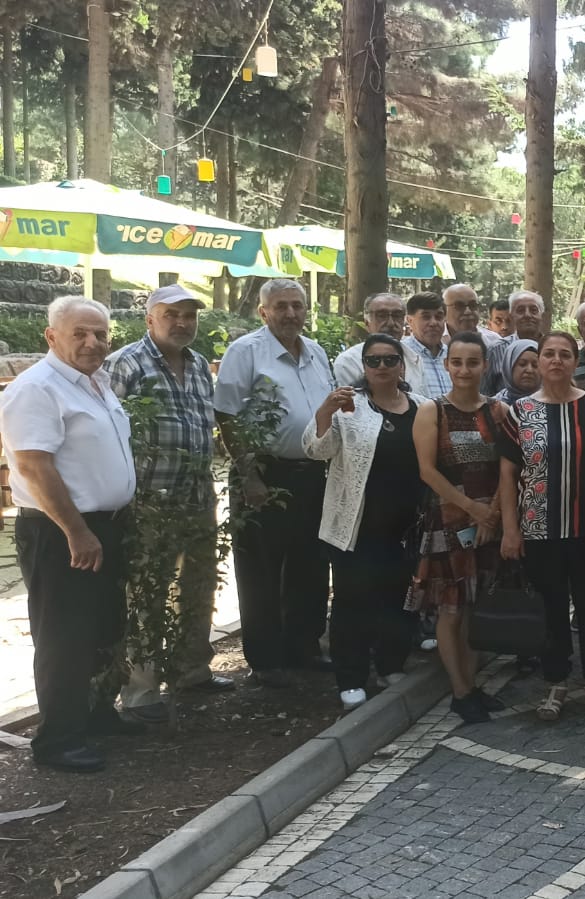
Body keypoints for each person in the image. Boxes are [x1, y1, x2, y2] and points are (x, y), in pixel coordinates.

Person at [1, 296, 138, 772]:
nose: (92, 342)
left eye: (100, 334)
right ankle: (58, 740)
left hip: (104, 525)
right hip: (61, 530)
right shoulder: (37, 389)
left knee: (103, 626)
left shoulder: (95, 383)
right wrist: (77, 532)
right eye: (79, 333)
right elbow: (34, 467)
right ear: (51, 337)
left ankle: (96, 714)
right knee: (64, 636)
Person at [104, 285, 232, 724]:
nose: (182, 323)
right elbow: (108, 430)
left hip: (197, 496)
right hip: (149, 502)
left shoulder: (198, 365)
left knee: (198, 585)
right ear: (149, 319)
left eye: (189, 315)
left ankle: (191, 671)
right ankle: (141, 693)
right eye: (171, 315)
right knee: (146, 594)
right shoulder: (126, 363)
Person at [215, 279, 336, 687]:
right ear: (263, 312)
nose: (290, 313)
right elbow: (227, 416)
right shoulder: (246, 352)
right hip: (263, 473)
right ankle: (266, 660)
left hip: (312, 473)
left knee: (310, 565)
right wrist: (248, 474)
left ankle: (304, 648)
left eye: (297, 305)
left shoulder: (315, 351)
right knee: (262, 571)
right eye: (281, 306)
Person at [498, 332, 585, 721]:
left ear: (575, 361)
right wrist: (511, 528)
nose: (556, 360)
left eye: (564, 354)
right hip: (539, 530)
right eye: (549, 354)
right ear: (539, 362)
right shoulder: (519, 412)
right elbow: (508, 474)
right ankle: (555, 681)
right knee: (550, 607)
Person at [305, 335, 425, 711]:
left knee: (400, 599)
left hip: (407, 527)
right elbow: (317, 450)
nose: (382, 367)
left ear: (402, 365)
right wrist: (324, 412)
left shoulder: (422, 407)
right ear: (364, 367)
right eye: (374, 361)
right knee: (353, 602)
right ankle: (351, 678)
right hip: (356, 526)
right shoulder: (349, 406)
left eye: (390, 359)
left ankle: (391, 665)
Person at [412, 332, 505, 723]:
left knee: (474, 606)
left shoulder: (498, 411)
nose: (464, 370)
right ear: (447, 365)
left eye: (472, 362)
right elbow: (427, 471)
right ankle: (460, 691)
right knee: (451, 608)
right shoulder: (431, 411)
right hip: (449, 522)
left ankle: (473, 683)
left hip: (489, 523)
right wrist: (472, 509)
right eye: (457, 362)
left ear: (485, 366)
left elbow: (509, 468)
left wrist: (492, 514)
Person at [333, 293, 420, 388]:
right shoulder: (349, 362)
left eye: (397, 316)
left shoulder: (414, 357)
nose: (391, 323)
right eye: (381, 316)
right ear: (367, 323)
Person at [402, 291, 452, 398]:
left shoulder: (452, 355)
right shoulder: (402, 354)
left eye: (439, 317)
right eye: (426, 317)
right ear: (410, 320)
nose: (433, 323)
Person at [494, 338, 540, 403]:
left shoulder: (551, 404)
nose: (529, 370)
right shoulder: (494, 406)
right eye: (522, 364)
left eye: (535, 365)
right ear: (508, 367)